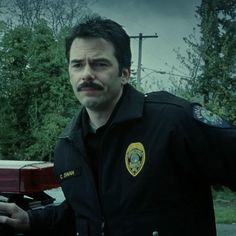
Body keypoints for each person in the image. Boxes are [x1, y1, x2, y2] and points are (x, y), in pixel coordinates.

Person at [0, 15, 236, 236]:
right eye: (77, 65)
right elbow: (86, 213)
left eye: (100, 64)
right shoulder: (68, 146)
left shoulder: (173, 122)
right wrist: (31, 219)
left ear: (124, 73)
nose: (87, 74)